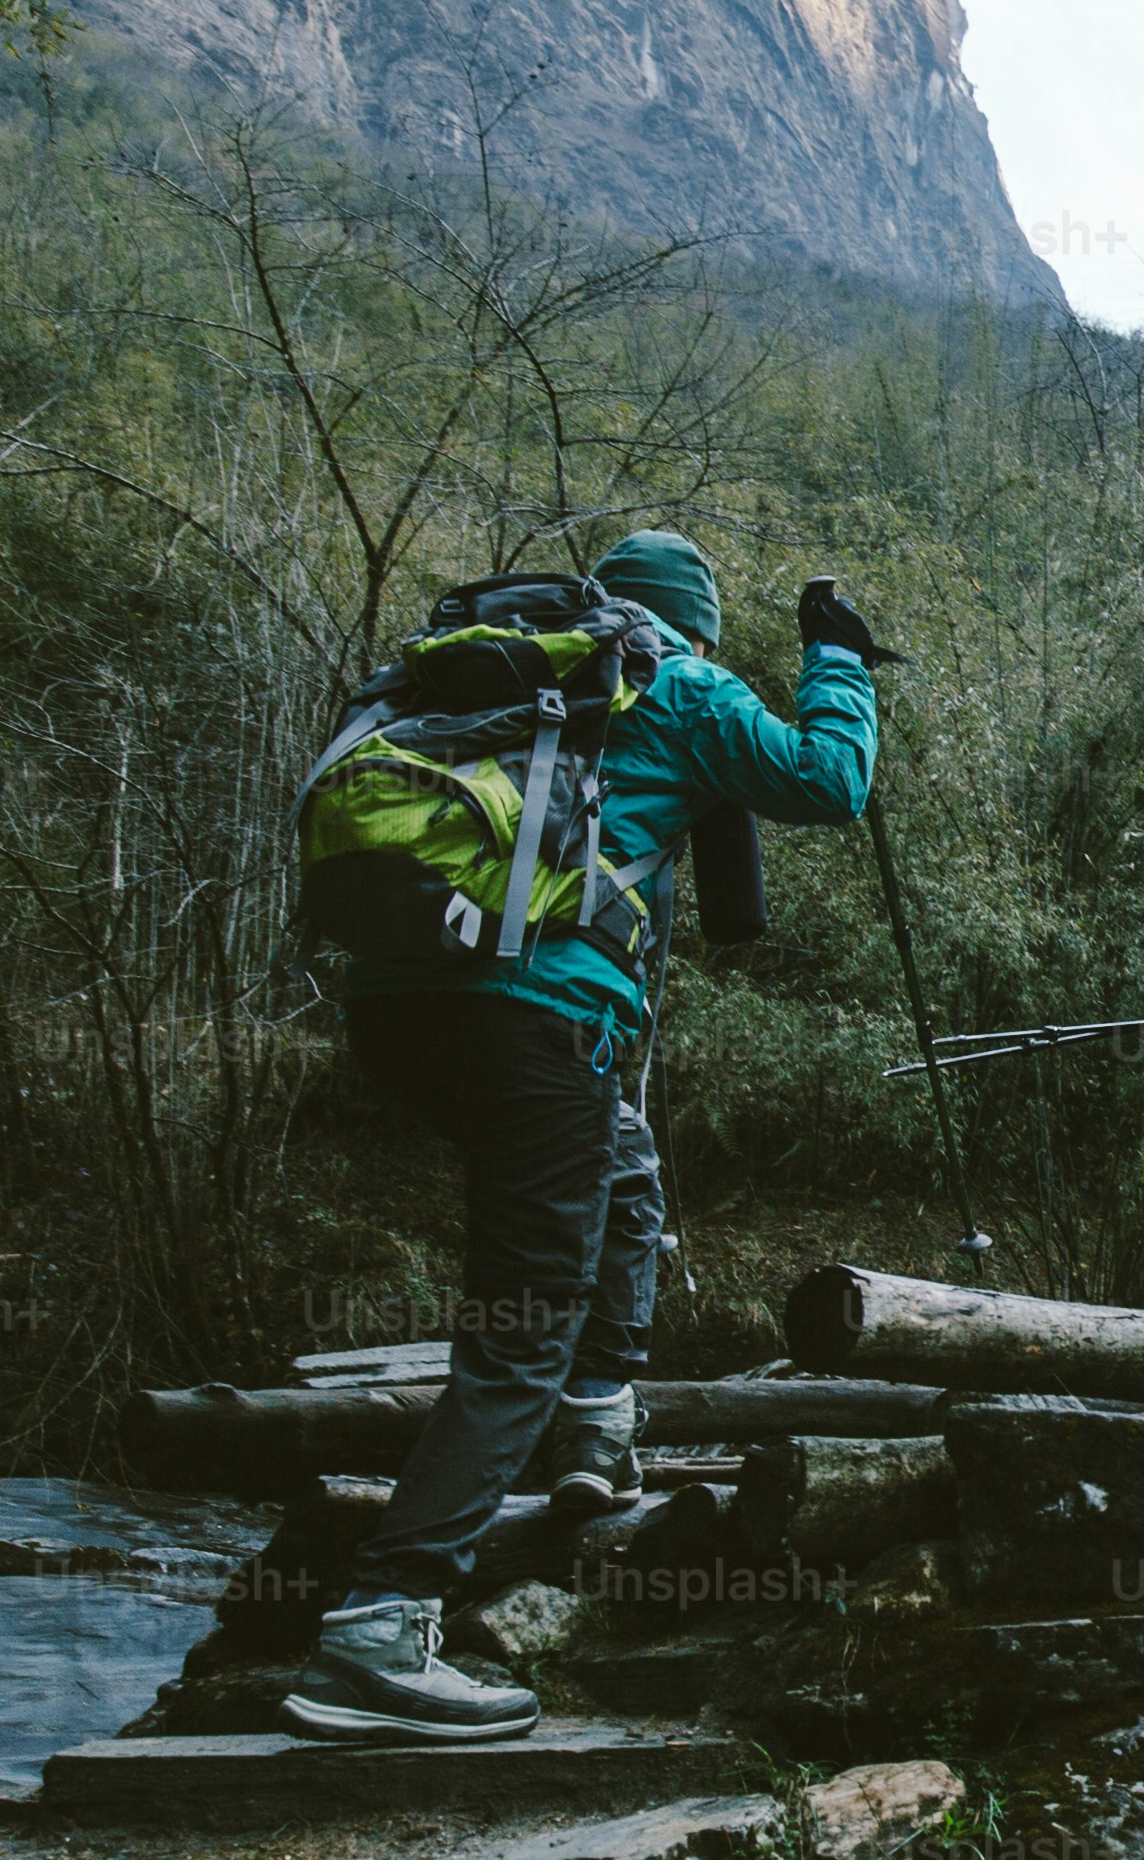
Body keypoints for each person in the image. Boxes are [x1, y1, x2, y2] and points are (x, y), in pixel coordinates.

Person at [293, 529, 879, 1742]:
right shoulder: (680, 682)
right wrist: (838, 660)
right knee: (520, 1324)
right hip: (535, 1023)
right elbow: (830, 781)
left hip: (397, 1009)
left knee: (624, 1167)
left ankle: (597, 1427)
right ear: (695, 623)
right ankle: (381, 1629)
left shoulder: (490, 678)